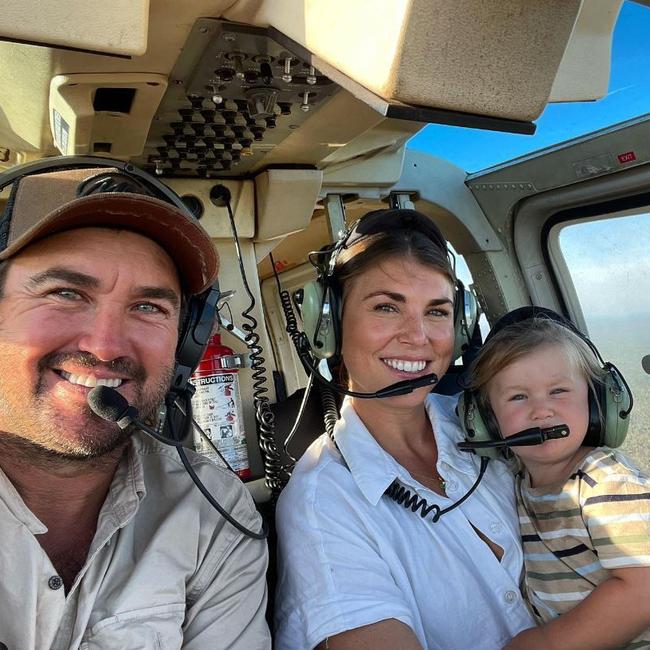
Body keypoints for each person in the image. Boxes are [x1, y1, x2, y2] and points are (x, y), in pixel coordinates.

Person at [0, 163, 271, 649]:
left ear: (186, 344)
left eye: (148, 307)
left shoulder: (212, 514)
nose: (105, 347)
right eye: (65, 293)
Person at [274, 208, 535, 649]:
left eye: (437, 312)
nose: (419, 337)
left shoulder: (495, 422)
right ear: (330, 326)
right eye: (386, 307)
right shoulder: (323, 502)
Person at [467, 307, 650, 649]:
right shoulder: (517, 486)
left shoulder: (608, 482)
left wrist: (543, 643)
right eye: (518, 397)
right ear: (486, 422)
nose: (541, 410)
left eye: (559, 391)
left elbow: (644, 588)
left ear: (596, 404)